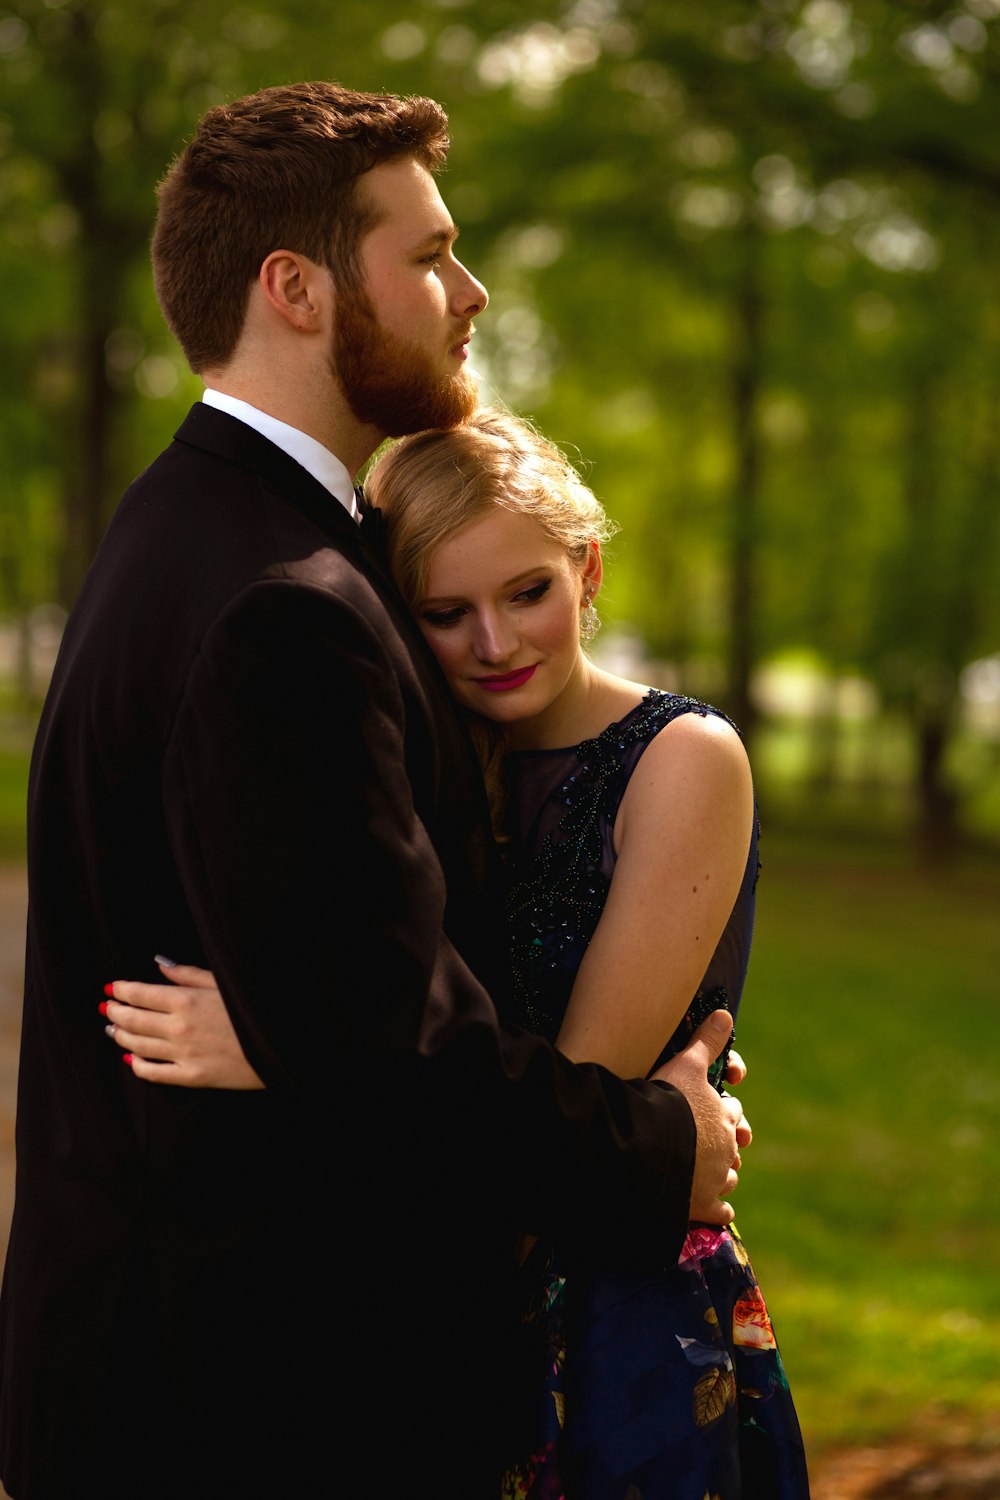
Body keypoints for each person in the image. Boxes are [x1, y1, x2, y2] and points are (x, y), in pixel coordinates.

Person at [0, 83, 747, 1500]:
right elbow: (395, 1061)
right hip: (256, 1405)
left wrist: (294, 1031)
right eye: (428, 255)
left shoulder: (195, 529)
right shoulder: (285, 606)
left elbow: (340, 1020)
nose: (468, 292)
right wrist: (659, 1146)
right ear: (295, 289)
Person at [104, 410, 809, 1497]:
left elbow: (581, 1096)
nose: (494, 643)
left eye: (526, 592)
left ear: (587, 571)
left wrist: (285, 1045)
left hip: (609, 1290)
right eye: (445, 612)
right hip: (433, 1285)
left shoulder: (680, 757)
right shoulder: (419, 760)